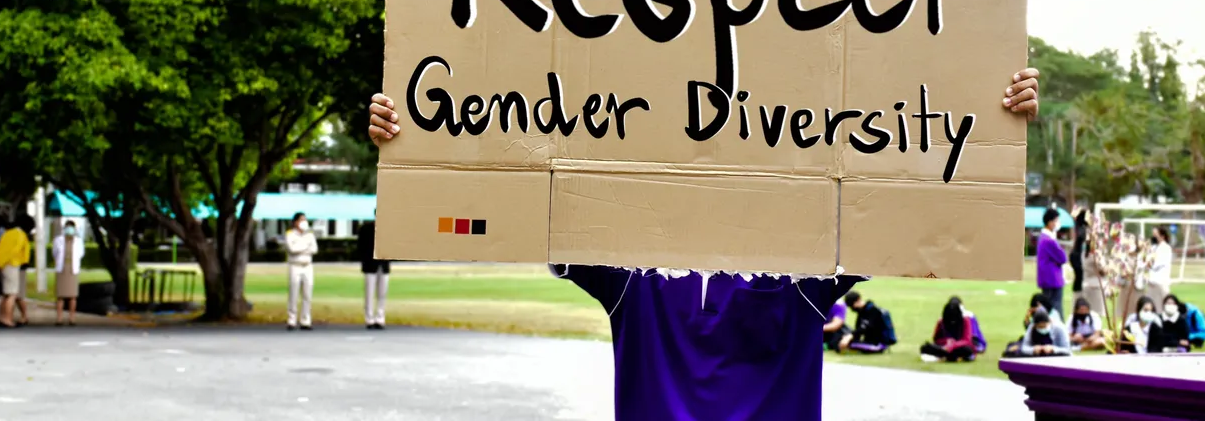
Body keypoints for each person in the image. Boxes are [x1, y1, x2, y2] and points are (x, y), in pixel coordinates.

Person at [367, 67, 1043, 420]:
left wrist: (999, 120)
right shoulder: (642, 270)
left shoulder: (801, 267)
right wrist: (411, 143)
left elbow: (930, 207)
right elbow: (512, 205)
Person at [919, 297, 983, 362]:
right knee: (924, 347)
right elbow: (936, 339)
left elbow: (967, 340)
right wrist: (946, 341)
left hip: (960, 346)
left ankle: (945, 355)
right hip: (944, 347)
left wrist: (953, 345)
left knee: (967, 350)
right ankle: (949, 355)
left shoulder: (966, 321)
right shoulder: (941, 322)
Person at [0, 215, 31, 328]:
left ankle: (1, 317)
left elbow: (0, 248)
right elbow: (16, 250)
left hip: (3, 265)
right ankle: (8, 319)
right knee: (12, 294)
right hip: (13, 264)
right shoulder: (20, 234)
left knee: (6, 294)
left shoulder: (7, 233)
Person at [284, 212, 317, 331]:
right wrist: (305, 247)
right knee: (294, 293)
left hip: (307, 265)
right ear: (295, 222)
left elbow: (314, 249)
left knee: (307, 294)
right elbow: (292, 249)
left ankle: (306, 320)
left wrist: (302, 247)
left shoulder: (310, 235)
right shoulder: (290, 234)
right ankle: (291, 320)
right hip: (295, 265)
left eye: (305, 220)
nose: (304, 222)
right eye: (301, 220)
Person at [357, 219, 391, 330]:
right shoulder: (366, 228)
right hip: (370, 264)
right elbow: (361, 246)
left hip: (383, 264)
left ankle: (380, 318)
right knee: (369, 293)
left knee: (382, 293)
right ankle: (369, 319)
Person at [1036, 208, 1068, 320]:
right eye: (1056, 220)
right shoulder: (1048, 240)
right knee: (1055, 307)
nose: (1057, 223)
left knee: (1049, 306)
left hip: (1047, 278)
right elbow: (1063, 257)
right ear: (1050, 222)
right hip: (1052, 279)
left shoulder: (1043, 238)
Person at [51, 220, 84, 326]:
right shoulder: (58, 240)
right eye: (67, 227)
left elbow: (81, 254)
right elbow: (55, 253)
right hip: (62, 268)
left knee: (72, 296)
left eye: (71, 228)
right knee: (60, 295)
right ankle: (59, 318)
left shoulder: (78, 241)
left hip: (73, 269)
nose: (69, 230)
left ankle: (72, 318)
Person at [1145, 227, 1173, 306]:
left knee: (1162, 305)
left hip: (1161, 282)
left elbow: (1156, 264)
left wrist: (1149, 263)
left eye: (1155, 235)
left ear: (1162, 236)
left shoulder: (1166, 248)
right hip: (1151, 282)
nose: (1153, 237)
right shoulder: (1154, 248)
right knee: (1150, 305)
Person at [1069, 209, 1089, 296]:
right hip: (1077, 256)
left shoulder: (1079, 227)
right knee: (1079, 278)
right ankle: (1078, 295)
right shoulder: (1082, 229)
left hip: (1076, 255)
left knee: (1079, 278)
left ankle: (1077, 294)